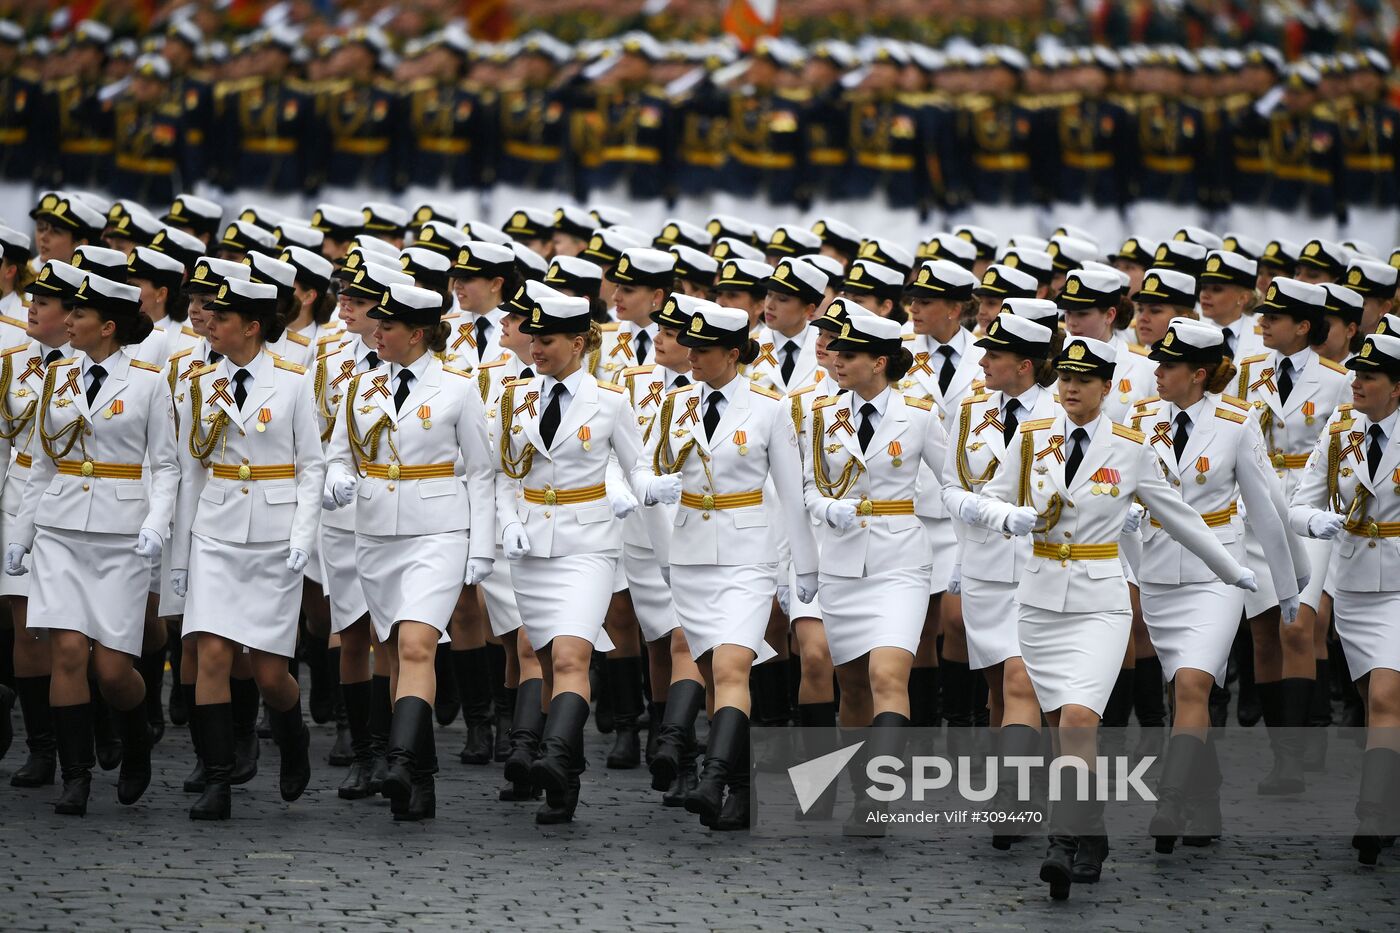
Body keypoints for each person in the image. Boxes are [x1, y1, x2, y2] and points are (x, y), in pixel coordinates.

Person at [970, 334, 1256, 900]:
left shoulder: (1129, 447)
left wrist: (1233, 571)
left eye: (1084, 379)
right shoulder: (1032, 438)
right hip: (1039, 600)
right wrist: (1012, 518)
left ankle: (1060, 842)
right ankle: (1090, 834)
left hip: (1101, 603)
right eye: (1065, 378)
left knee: (1079, 721)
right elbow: (989, 498)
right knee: (1060, 730)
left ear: (1106, 387)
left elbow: (1179, 517)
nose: (1071, 387)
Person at [4, 273, 177, 815]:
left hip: (121, 535)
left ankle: (137, 735)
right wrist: (20, 534)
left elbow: (167, 465)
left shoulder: (149, 383)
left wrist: (157, 522)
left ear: (107, 327)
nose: (69, 322)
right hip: (60, 531)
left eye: (79, 316)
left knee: (112, 670)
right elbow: (39, 464)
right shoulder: (54, 379)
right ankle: (74, 776)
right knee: (69, 653)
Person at [323, 282, 495, 821]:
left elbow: (483, 471)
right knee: (394, 650)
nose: (376, 333)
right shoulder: (360, 385)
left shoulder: (457, 388)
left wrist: (480, 549)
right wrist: (338, 481)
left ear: (416, 334)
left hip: (438, 532)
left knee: (419, 643)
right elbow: (339, 454)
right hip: (376, 533)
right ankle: (418, 779)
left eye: (388, 327)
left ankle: (397, 759)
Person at [492, 293, 666, 824]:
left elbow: (634, 463)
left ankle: (556, 758)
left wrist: (650, 487)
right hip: (531, 549)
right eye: (533, 338)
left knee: (571, 657)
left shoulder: (610, 399)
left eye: (546, 340)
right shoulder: (513, 395)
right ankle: (563, 777)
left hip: (589, 543)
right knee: (545, 662)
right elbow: (503, 474)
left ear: (579, 342)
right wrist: (508, 524)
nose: (535, 348)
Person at [1130, 317, 1302, 852]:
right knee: (1180, 687)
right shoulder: (1137, 419)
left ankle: (1172, 797)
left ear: (1199, 374)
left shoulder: (1234, 422)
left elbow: (1268, 508)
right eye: (1158, 362)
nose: (1158, 372)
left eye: (1171, 365)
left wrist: (1291, 582)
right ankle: (1206, 798)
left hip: (1217, 574)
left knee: (1192, 685)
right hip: (1158, 571)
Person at [644, 302, 818, 831]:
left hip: (748, 554)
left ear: (734, 354)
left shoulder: (768, 409)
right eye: (689, 347)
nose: (691, 356)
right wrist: (648, 485)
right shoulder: (675, 404)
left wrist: (803, 567)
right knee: (712, 677)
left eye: (703, 349)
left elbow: (791, 493)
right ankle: (738, 795)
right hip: (692, 551)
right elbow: (643, 464)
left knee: (731, 667)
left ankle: (713, 778)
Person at [169, 277, 326, 820]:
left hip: (274, 539)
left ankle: (293, 735)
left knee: (267, 672)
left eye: (223, 316)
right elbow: (191, 472)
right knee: (211, 652)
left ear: (252, 327)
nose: (210, 322)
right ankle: (219, 778)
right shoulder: (197, 382)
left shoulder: (292, 382)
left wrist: (303, 538)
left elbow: (313, 468)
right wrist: (183, 556)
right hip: (216, 531)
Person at [798, 307, 948, 832]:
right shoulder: (820, 414)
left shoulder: (919, 415)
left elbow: (952, 482)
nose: (836, 359)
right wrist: (824, 509)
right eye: (835, 351)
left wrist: (986, 520)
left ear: (879, 361)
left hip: (900, 561)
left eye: (849, 353)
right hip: (841, 564)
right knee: (854, 686)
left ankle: (877, 795)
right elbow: (808, 487)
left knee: (888, 674)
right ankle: (862, 787)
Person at [940, 306, 1059, 849]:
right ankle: (1020, 783)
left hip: (1043, 563)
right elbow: (950, 488)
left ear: (1026, 365)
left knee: (1021, 680)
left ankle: (1014, 796)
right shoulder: (970, 409)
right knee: (996, 687)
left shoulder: (1063, 411)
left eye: (996, 354)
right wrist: (985, 526)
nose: (983, 361)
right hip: (987, 564)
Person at [1234, 277, 1351, 795]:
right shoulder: (1246, 374)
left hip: (1310, 507)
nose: (1262, 322)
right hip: (1257, 508)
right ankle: (1280, 749)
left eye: (1274, 317)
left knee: (1297, 627)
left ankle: (1297, 754)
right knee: (1262, 633)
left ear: (1303, 326)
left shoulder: (1337, 380)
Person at [1288, 332, 1400, 865]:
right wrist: (1316, 519)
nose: (1355, 384)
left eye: (1369, 377)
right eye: (1355, 375)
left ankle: (1374, 812)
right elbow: (1297, 505)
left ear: (1397, 388)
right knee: (1370, 695)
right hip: (1355, 583)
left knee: (1385, 696)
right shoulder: (1338, 433)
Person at [3, 258, 79, 789]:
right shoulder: (11, 362)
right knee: (25, 629)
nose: (32, 308)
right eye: (31, 299)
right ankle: (43, 747)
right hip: (17, 498)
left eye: (44, 303)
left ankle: (93, 729)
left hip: (72, 504)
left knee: (71, 639)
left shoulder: (90, 369)